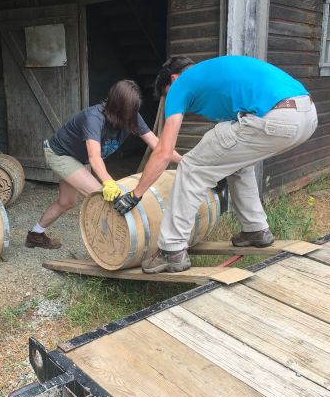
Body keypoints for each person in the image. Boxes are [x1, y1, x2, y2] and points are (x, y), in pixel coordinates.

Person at [113, 56, 318, 273]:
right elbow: (230, 147)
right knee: (240, 165)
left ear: (172, 79)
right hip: (307, 115)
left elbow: (163, 151)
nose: (175, 102)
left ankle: (171, 250)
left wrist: (137, 193)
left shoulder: (180, 84)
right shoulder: (214, 76)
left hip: (278, 115)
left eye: (166, 93)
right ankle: (255, 229)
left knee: (191, 167)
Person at [26, 78, 181, 249]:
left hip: (77, 157)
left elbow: (159, 146)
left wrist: (184, 162)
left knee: (66, 202)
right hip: (60, 154)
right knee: (103, 197)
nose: (130, 118)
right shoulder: (94, 118)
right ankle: (114, 247)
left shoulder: (132, 117)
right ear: (116, 107)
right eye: (127, 113)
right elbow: (94, 157)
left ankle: (35, 234)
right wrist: (108, 182)